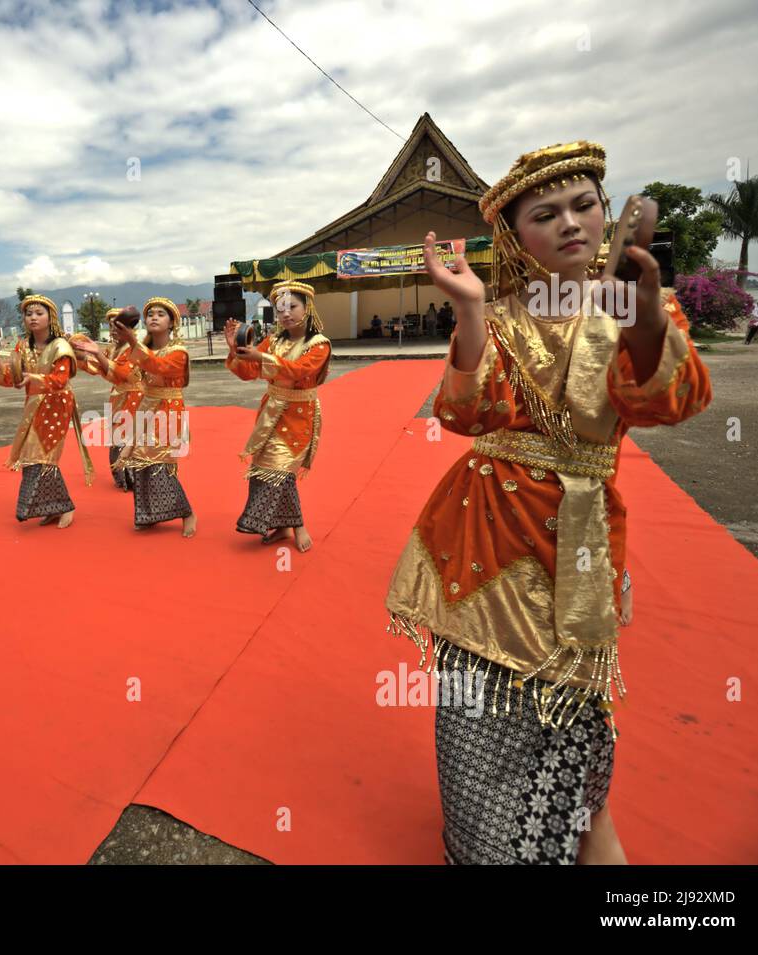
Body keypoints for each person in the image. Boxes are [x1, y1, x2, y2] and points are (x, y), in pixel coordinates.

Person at [383, 142, 712, 865]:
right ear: (515, 235)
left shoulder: (630, 304)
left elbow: (666, 401)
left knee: (573, 723)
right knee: (475, 714)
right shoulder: (500, 313)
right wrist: (470, 309)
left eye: (584, 204)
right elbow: (465, 415)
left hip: (578, 539)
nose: (570, 222)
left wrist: (645, 320)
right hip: (480, 537)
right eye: (545, 213)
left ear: (605, 210)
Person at [225, 280, 331, 553]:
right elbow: (248, 372)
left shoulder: (319, 345)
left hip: (299, 416)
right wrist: (234, 350)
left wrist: (259, 357)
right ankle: (284, 526)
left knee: (280, 472)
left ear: (307, 308)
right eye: (280, 309)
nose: (285, 314)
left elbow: (298, 371)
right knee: (265, 472)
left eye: (292, 307)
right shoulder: (273, 341)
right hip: (270, 413)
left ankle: (297, 525)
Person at [0, 295, 92, 526]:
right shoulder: (22, 346)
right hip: (34, 405)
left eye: (38, 313)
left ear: (50, 317)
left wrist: (35, 378)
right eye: (28, 313)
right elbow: (15, 379)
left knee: (43, 456)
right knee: (34, 458)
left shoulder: (60, 346)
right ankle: (54, 507)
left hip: (57, 405)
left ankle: (64, 507)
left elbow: (60, 380)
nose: (32, 317)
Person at [110, 297, 196, 536]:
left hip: (168, 409)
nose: (154, 317)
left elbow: (159, 367)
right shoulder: (141, 350)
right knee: (140, 461)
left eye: (160, 314)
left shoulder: (178, 351)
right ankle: (149, 514)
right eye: (150, 314)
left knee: (159, 462)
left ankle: (187, 512)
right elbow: (125, 375)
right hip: (145, 407)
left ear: (172, 323)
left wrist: (132, 343)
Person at [75, 306, 143, 491]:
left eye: (117, 326)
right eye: (111, 326)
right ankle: (121, 476)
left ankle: (134, 478)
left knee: (129, 435)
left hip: (135, 397)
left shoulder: (134, 348)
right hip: (118, 396)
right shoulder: (112, 349)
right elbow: (96, 367)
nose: (113, 330)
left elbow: (120, 373)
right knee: (117, 435)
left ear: (129, 328)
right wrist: (77, 354)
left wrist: (96, 355)